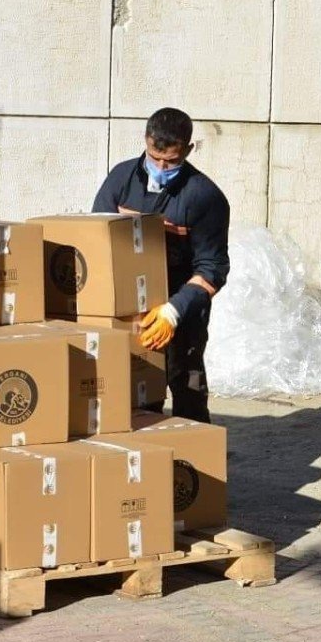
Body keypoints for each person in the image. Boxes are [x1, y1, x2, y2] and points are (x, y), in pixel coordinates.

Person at [92, 107, 230, 422]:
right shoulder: (121, 179)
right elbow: (97, 238)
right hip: (129, 309)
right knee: (136, 393)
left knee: (188, 388)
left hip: (180, 309)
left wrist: (173, 311)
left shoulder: (205, 197)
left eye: (172, 161)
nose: (162, 167)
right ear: (146, 140)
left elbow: (212, 269)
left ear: (188, 150)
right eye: (155, 157)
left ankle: (193, 461)